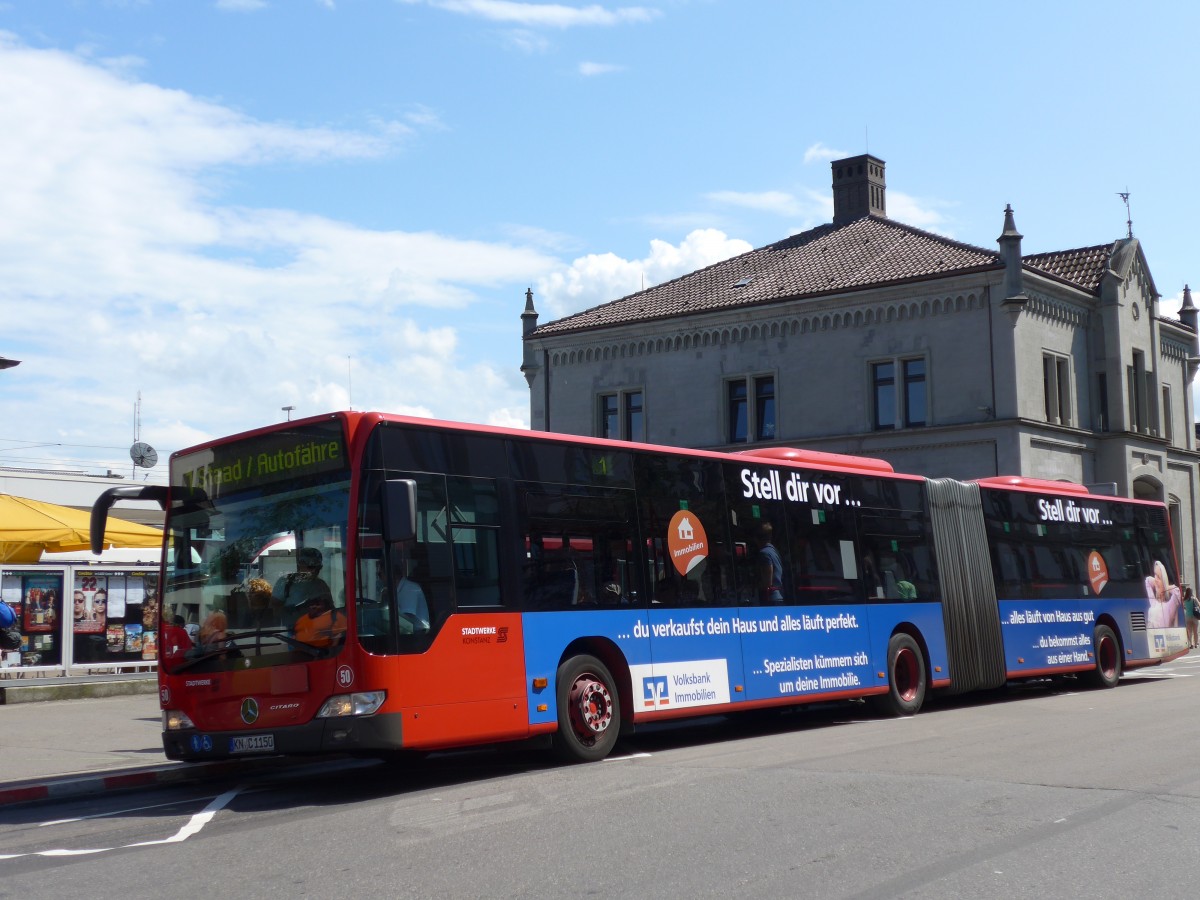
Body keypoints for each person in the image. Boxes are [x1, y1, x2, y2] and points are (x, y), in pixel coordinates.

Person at [273, 547, 332, 616]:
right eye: (310, 567)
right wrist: (297, 609)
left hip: (316, 625)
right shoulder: (286, 582)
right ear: (300, 564)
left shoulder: (321, 585)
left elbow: (331, 610)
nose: (314, 571)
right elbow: (274, 610)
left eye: (318, 568)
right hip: (292, 625)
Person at [391, 545, 429, 634]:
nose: (380, 579)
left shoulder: (410, 588)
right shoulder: (398, 589)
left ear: (391, 574)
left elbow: (406, 619)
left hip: (417, 633)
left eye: (380, 574)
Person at [1145, 560, 1182, 629]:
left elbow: (1177, 592)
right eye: (1155, 575)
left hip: (1164, 638)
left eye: (1159, 577)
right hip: (1152, 638)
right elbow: (1147, 581)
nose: (1156, 579)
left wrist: (1165, 586)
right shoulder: (1154, 603)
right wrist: (1157, 582)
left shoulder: (1169, 606)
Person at [754, 522, 784, 603]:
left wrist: (755, 586)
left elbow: (768, 582)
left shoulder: (764, 553)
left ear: (756, 539)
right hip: (778, 595)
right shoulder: (774, 550)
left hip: (770, 598)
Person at [1184, 585, 1199, 649]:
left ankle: (1191, 644)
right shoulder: (1194, 599)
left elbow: (1184, 607)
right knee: (1195, 631)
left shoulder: (1184, 599)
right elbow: (1199, 605)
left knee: (1189, 631)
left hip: (1187, 617)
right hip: (1194, 617)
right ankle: (1196, 644)